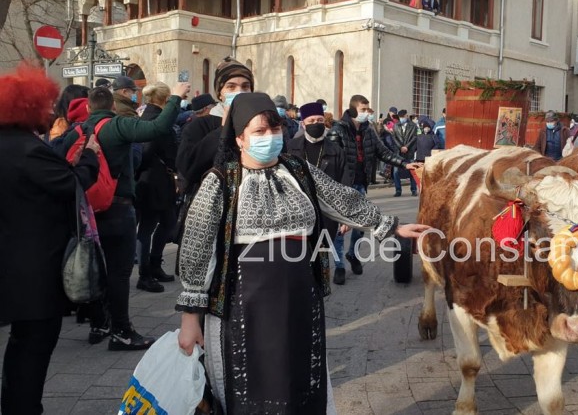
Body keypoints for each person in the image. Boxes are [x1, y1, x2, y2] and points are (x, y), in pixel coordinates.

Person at [175, 93, 430, 413]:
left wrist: (390, 226)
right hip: (244, 307)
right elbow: (196, 247)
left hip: (300, 300)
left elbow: (342, 198)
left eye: (275, 129)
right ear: (240, 138)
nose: (270, 137)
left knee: (299, 381)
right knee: (252, 386)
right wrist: (190, 320)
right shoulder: (221, 181)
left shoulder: (297, 170)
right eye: (259, 131)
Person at [0, 63, 100, 414]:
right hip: (33, 270)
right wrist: (90, 156)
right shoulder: (27, 150)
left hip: (12, 264)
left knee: (21, 344)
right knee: (32, 347)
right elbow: (72, 185)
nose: (50, 113)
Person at [61, 83, 190, 351]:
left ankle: (99, 323)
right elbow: (157, 128)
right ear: (111, 106)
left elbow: (55, 156)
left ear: (88, 108)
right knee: (119, 273)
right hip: (118, 209)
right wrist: (176, 97)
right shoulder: (117, 125)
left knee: (95, 267)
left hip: (86, 212)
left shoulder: (76, 131)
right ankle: (121, 331)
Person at [328, 95, 417, 276]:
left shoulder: (369, 131)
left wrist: (405, 164)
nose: (367, 113)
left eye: (368, 110)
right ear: (352, 110)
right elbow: (331, 162)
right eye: (363, 110)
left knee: (360, 225)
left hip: (360, 184)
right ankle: (339, 266)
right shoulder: (338, 131)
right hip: (341, 186)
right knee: (340, 228)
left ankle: (353, 254)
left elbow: (383, 152)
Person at [287, 102, 349, 285]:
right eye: (312, 121)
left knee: (322, 257)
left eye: (320, 120)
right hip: (298, 212)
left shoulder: (336, 150)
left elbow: (344, 184)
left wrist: (345, 216)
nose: (316, 124)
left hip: (327, 213)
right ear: (303, 123)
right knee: (300, 257)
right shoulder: (291, 147)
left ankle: (323, 285)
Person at [177, 58, 254, 191]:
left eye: (245, 86)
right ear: (220, 94)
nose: (239, 92)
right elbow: (188, 168)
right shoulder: (199, 126)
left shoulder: (260, 125)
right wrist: (223, 129)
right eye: (231, 87)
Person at [134, 82, 181, 293]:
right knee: (148, 226)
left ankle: (154, 264)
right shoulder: (153, 119)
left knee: (167, 221)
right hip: (153, 181)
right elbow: (145, 152)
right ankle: (144, 274)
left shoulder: (151, 116)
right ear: (165, 98)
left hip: (158, 180)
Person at [392, 108, 419, 196]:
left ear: (406, 116)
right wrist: (400, 147)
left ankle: (414, 189)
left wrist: (406, 146)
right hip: (398, 152)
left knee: (412, 170)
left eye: (403, 117)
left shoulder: (413, 125)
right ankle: (398, 190)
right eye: (400, 117)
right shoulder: (396, 125)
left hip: (409, 151)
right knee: (396, 171)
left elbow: (414, 137)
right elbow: (394, 137)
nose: (401, 119)